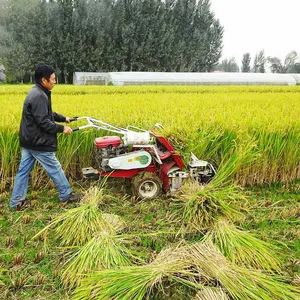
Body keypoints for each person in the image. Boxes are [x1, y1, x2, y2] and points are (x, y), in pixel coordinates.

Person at [9, 64, 80, 210]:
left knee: (23, 171)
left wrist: (63, 118)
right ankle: (66, 195)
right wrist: (62, 129)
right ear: (44, 80)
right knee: (55, 168)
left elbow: (47, 113)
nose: (55, 81)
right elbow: (43, 122)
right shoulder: (39, 96)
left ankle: (16, 202)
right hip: (38, 141)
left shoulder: (38, 92)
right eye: (53, 79)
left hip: (29, 140)